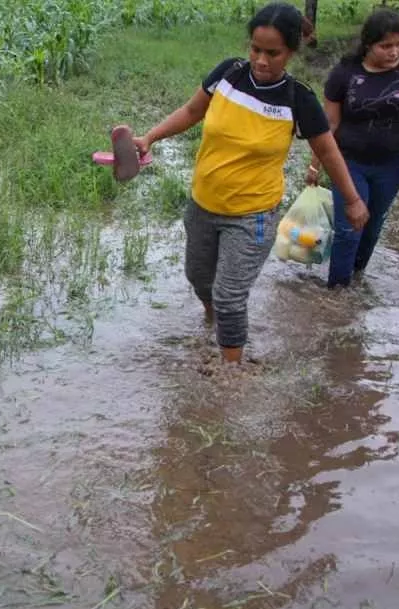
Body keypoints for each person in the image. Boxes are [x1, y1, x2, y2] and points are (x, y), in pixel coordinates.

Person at [131, 2, 368, 366]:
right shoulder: (229, 74)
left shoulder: (298, 98)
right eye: (256, 49)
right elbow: (192, 111)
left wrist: (351, 200)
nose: (261, 60)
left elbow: (328, 150)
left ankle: (231, 371)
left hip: (252, 215)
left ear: (290, 52)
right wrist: (150, 138)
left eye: (273, 53)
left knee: (230, 295)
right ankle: (213, 321)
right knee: (199, 279)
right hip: (203, 204)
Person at [306, 8, 399, 289]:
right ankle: (337, 291)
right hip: (348, 162)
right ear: (368, 44)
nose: (394, 52)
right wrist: (315, 164)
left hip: (393, 164)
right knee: (350, 227)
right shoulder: (345, 73)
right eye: (386, 46)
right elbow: (329, 125)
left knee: (371, 227)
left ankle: (355, 277)